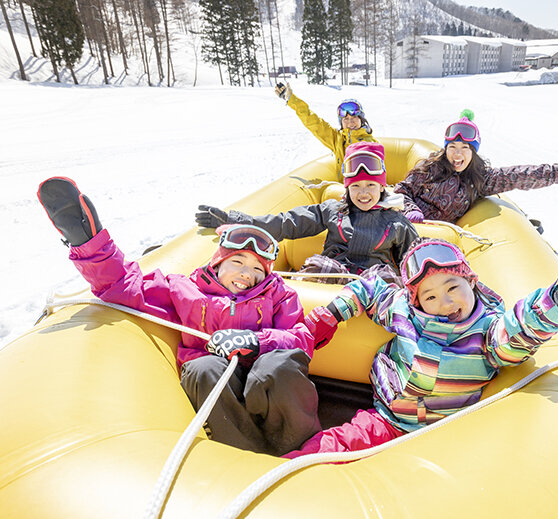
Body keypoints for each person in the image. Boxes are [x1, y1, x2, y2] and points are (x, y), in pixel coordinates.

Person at [285, 233, 558, 456]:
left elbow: (523, 326)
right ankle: (283, 474)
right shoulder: (404, 311)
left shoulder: (488, 332)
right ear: (416, 300)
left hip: (449, 430)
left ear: (471, 281)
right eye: (431, 296)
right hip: (387, 417)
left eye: (453, 287)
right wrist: (329, 314)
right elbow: (370, 289)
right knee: (332, 448)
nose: (445, 302)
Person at [37, 177, 321, 456]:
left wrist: (255, 340)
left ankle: (298, 448)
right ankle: (241, 455)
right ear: (218, 262)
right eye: (238, 262)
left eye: (258, 270)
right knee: (203, 369)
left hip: (268, 382)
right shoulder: (184, 289)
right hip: (222, 384)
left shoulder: (279, 294)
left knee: (278, 364)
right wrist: (90, 244)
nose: (247, 274)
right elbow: (123, 286)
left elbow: (300, 337)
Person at [195, 142, 419, 286]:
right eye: (356, 186)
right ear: (347, 188)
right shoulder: (334, 210)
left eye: (370, 185)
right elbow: (288, 223)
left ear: (382, 187)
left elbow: (414, 257)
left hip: (372, 283)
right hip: (333, 277)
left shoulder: (396, 222)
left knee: (387, 279)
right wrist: (235, 221)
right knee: (319, 265)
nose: (363, 193)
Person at [395, 109, 558, 223]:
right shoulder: (431, 168)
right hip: (409, 225)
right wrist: (411, 210)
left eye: (465, 148)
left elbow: (520, 175)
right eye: (453, 147)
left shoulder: (479, 179)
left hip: (440, 236)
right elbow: (402, 190)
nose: (457, 154)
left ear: (473, 152)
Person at [274, 81, 377, 175]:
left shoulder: (371, 144)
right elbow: (314, 123)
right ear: (341, 123)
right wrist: (291, 99)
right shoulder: (338, 139)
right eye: (345, 119)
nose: (350, 122)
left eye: (354, 117)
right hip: (345, 191)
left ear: (361, 119)